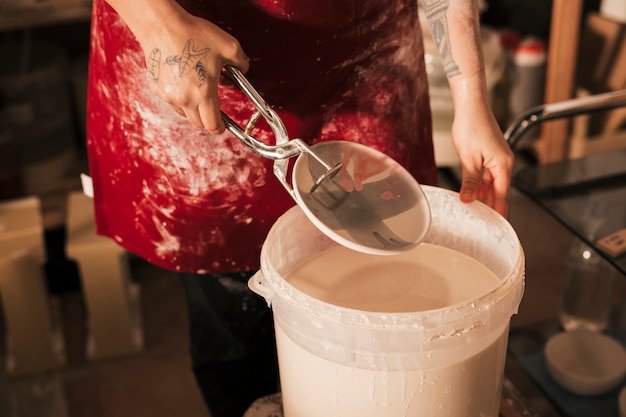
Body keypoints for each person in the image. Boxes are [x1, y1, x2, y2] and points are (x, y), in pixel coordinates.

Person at [86, 0, 514, 416]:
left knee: (391, 262)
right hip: (198, 70)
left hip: (367, 63)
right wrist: (155, 18)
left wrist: (471, 98)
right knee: (230, 328)